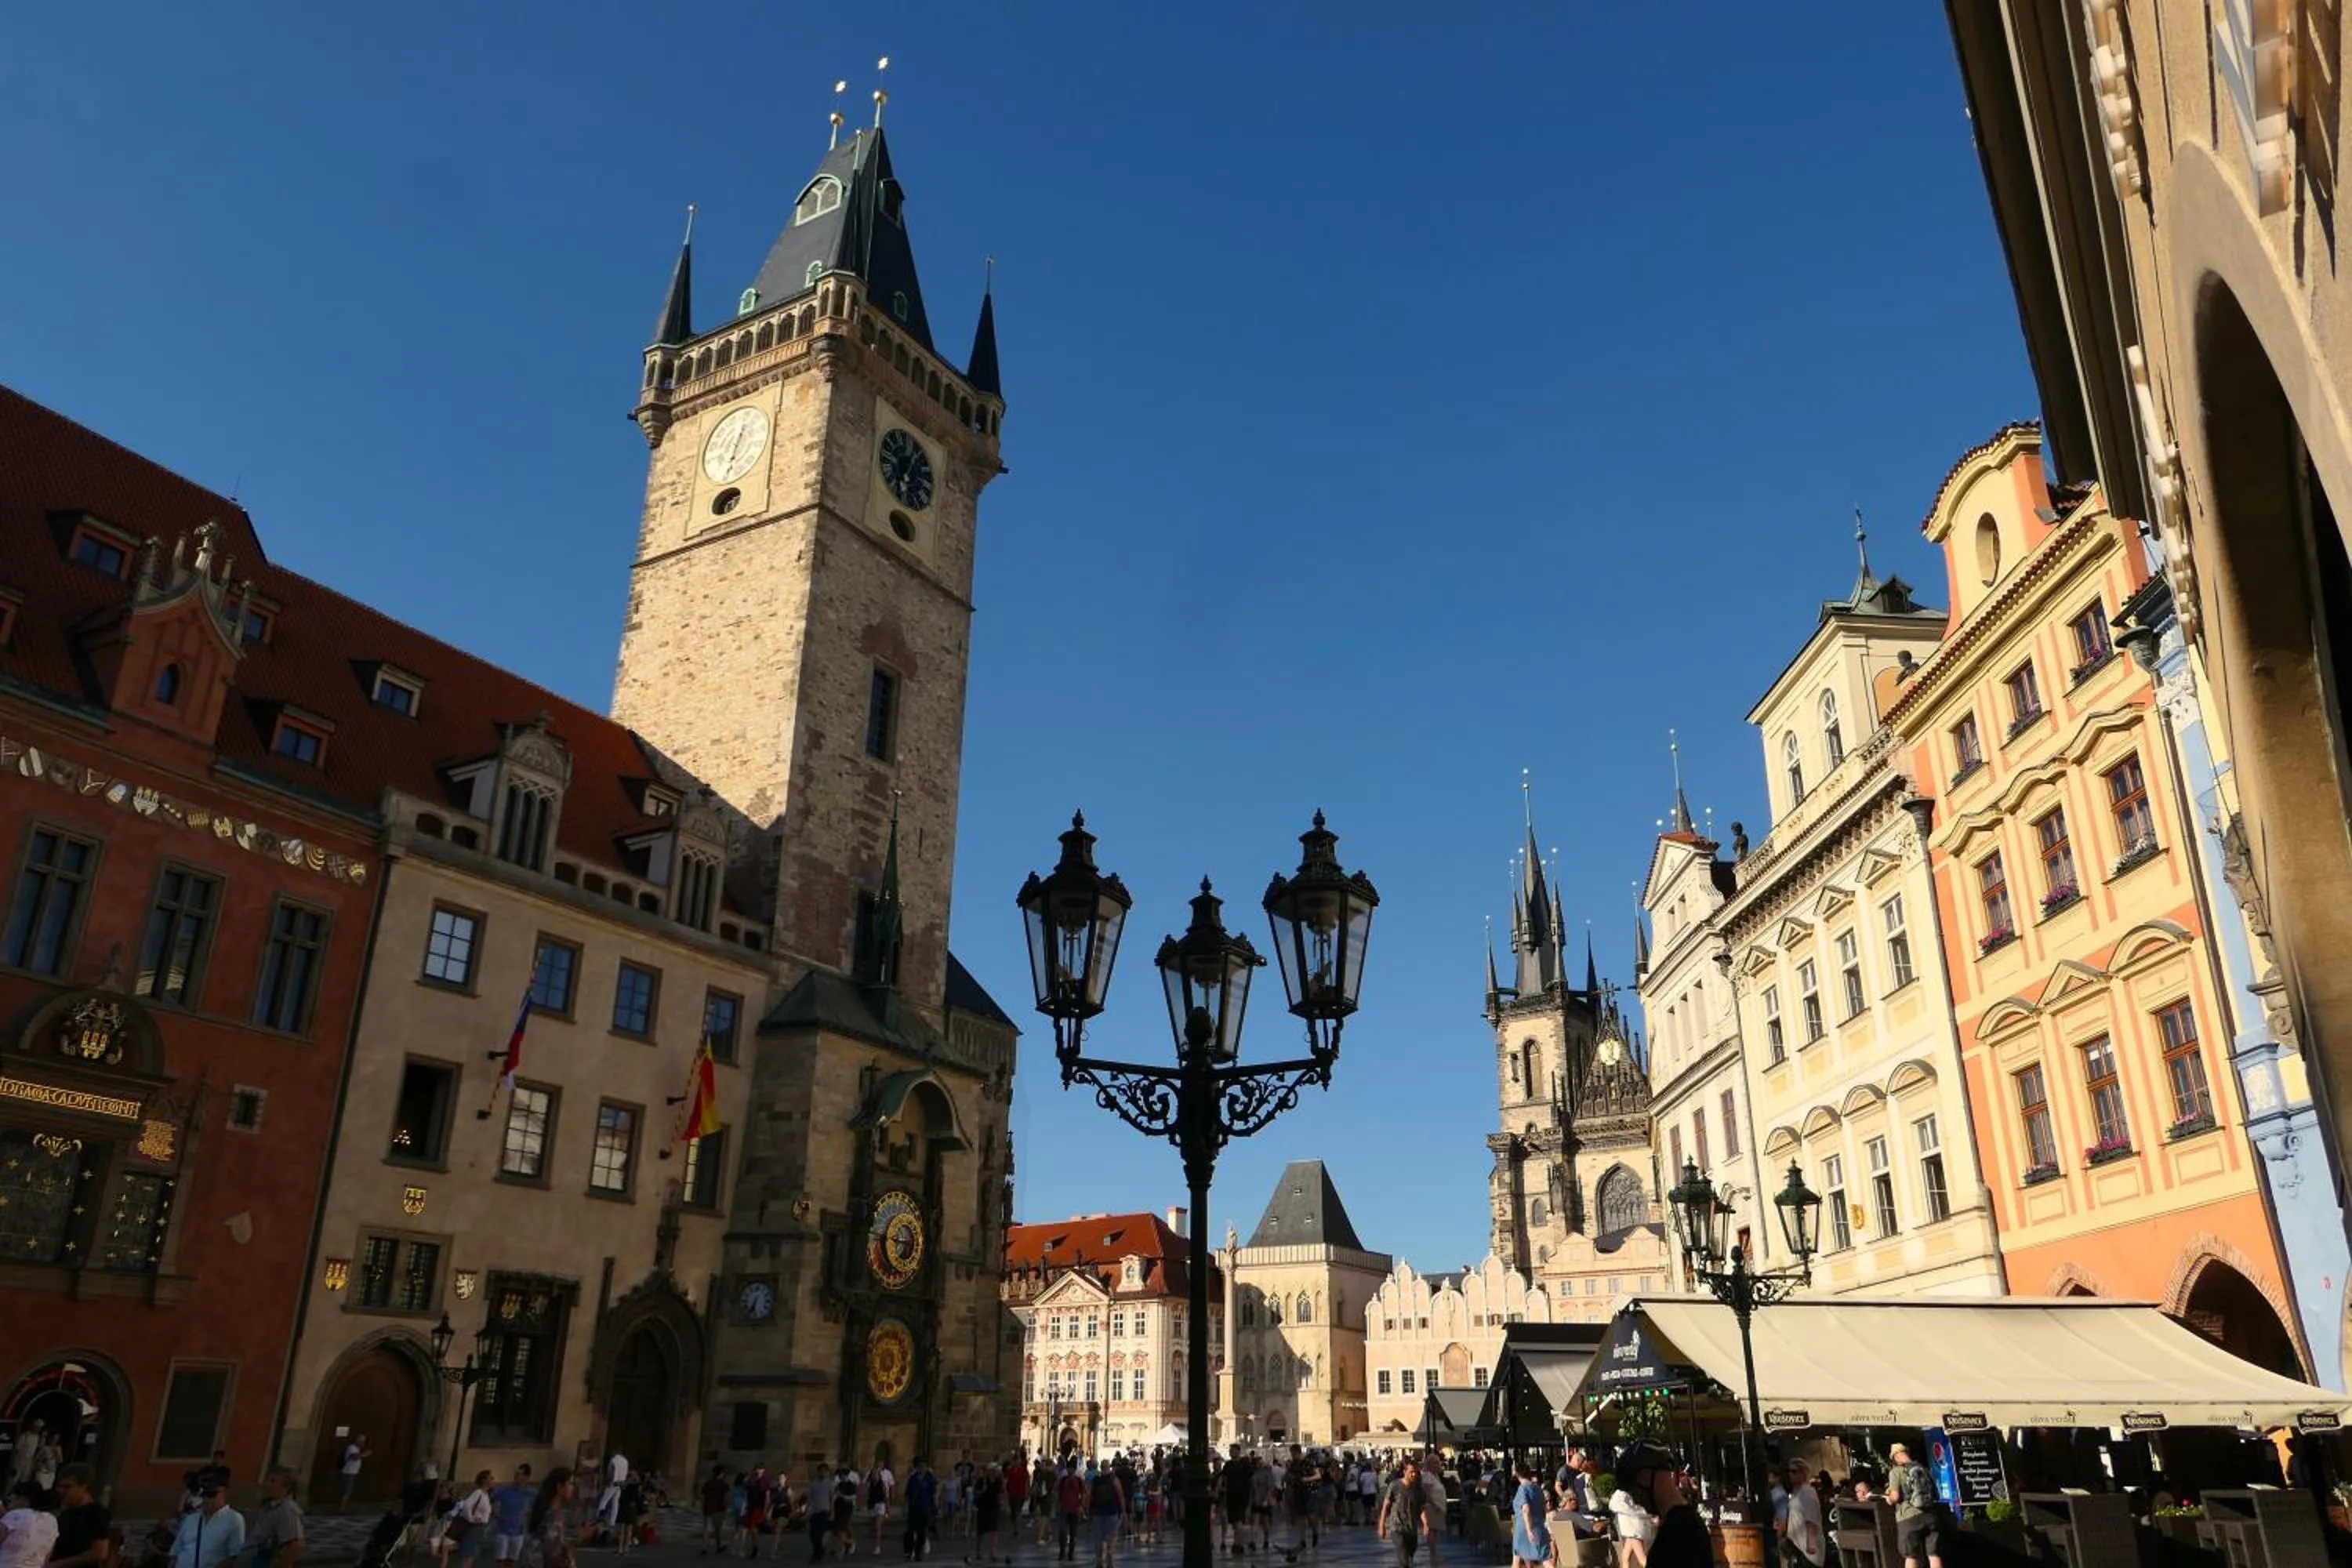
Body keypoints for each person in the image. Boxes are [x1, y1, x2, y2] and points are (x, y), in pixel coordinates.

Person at [1610, 1446, 1705, 1568]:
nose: (1635, 1499)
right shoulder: (1682, 1520)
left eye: (1633, 1491)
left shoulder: (1680, 1526)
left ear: (1645, 1477)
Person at [171, 1475, 245, 1568]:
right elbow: (176, 1551)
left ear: (224, 1493)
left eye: (211, 1495)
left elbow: (234, 1556)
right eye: (204, 1495)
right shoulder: (191, 1519)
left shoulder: (234, 1519)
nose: (207, 1499)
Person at [1886, 1445, 1940, 1568]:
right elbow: (1935, 1492)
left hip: (1909, 1518)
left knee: (1911, 1556)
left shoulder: (1896, 1471)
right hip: (1930, 1515)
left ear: (1896, 1456)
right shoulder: (1923, 1469)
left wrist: (1888, 1499)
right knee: (1934, 1554)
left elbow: (1895, 1497)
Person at [49, 1464, 113, 1568]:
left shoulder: (97, 1513)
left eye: (67, 1487)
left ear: (84, 1487)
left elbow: (99, 1553)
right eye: (59, 1487)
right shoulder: (62, 1514)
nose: (61, 1491)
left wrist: (56, 1565)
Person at [251, 1465, 309, 1568]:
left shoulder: (287, 1509)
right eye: (267, 1481)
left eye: (273, 1482)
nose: (267, 1485)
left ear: (286, 1487)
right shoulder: (270, 1506)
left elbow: (296, 1545)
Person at [1378, 1457, 1431, 1568]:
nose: (1414, 1475)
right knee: (1403, 1560)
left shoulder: (1419, 1489)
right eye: (1411, 1472)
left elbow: (1422, 1508)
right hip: (1397, 1527)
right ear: (1405, 1472)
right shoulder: (1395, 1485)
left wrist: (1426, 1524)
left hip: (1412, 1529)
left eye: (1416, 1472)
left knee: (1410, 1561)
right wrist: (1382, 1526)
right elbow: (1386, 1506)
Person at [529, 1468, 580, 1568]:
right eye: (570, 1483)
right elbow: (552, 1552)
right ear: (559, 1487)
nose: (573, 1488)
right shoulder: (550, 1517)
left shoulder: (561, 1513)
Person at [0, 1479, 56, 1568]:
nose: (9, 1499)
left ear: (24, 1498)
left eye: (13, 1495)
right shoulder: (51, 1520)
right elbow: (46, 1557)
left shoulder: (14, 1515)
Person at [1606, 1471, 1653, 1568]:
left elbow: (1616, 1506)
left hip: (1632, 1530)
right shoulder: (1628, 1493)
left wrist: (1644, 1514)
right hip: (1632, 1529)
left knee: (1641, 1558)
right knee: (1626, 1556)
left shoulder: (1621, 1494)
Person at [1782, 1462, 1824, 1568]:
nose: (1790, 1475)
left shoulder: (1807, 1493)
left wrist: (1811, 1548)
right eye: (1789, 1471)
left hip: (1806, 1552)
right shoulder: (1797, 1492)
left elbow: (1811, 1520)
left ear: (1803, 1473)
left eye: (1794, 1471)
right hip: (1797, 1548)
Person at [1084, 1463, 1123, 1568]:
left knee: (1098, 1538)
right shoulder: (1114, 1479)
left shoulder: (1096, 1480)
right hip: (1112, 1511)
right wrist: (1123, 1510)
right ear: (1109, 1467)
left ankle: (1099, 1560)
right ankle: (1110, 1553)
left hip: (1097, 1512)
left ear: (1100, 1468)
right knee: (1112, 1535)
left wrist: (1087, 1509)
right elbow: (1120, 1495)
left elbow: (1089, 1495)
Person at [905, 1459, 938, 1563]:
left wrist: (935, 1506)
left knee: (922, 1532)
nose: (922, 1468)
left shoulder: (929, 1479)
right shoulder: (913, 1479)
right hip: (914, 1509)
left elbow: (934, 1493)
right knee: (911, 1530)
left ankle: (919, 1553)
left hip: (925, 1509)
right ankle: (909, 1551)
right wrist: (905, 1507)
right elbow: (908, 1495)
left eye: (924, 1466)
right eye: (920, 1466)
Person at [804, 1466, 834, 1563]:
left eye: (825, 1472)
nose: (823, 1474)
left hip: (825, 1511)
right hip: (815, 1512)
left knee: (820, 1534)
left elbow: (832, 1498)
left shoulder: (829, 1484)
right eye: (821, 1472)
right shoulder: (813, 1484)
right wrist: (807, 1511)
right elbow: (810, 1499)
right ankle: (819, 1551)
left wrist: (832, 1512)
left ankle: (817, 1554)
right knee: (813, 1534)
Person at [866, 1463, 896, 1559]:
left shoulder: (882, 1484)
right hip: (872, 1505)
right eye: (873, 1474)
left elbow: (886, 1497)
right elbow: (867, 1495)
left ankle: (877, 1546)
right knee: (874, 1527)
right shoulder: (870, 1484)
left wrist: (888, 1509)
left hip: (880, 1505)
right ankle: (875, 1543)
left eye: (876, 1474)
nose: (875, 1476)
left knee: (877, 1526)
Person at [339, 1436, 372, 1511]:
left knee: (348, 1491)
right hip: (349, 1472)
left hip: (353, 1472)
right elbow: (353, 1457)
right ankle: (342, 1508)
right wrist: (364, 1455)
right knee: (346, 1491)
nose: (363, 1444)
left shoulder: (357, 1449)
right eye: (361, 1441)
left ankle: (345, 1507)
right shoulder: (352, 1448)